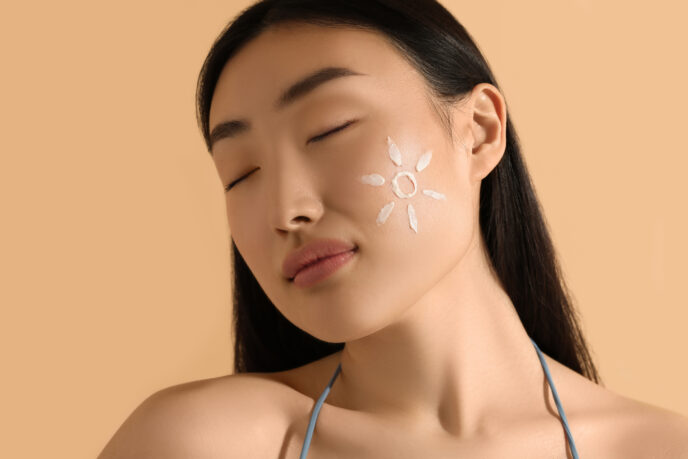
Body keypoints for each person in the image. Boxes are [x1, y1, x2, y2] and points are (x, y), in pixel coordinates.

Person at [98, 1, 688, 457]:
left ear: (479, 130)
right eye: (241, 173)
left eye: (329, 129)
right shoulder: (203, 443)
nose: (286, 210)